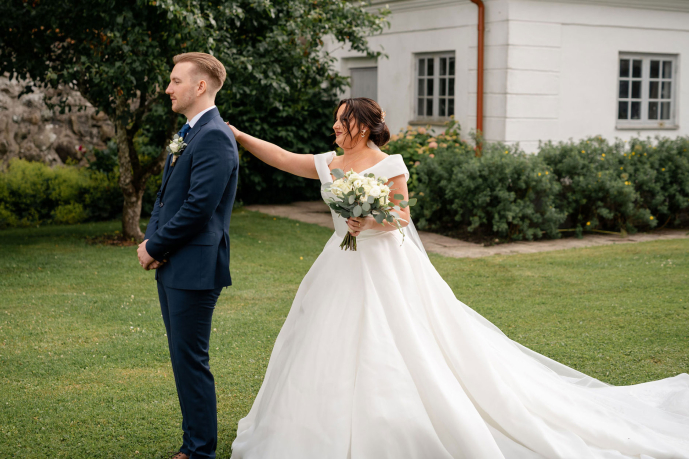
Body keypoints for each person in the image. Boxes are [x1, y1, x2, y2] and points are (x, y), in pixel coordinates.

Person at [225, 97, 689, 458]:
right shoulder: (329, 162)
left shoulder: (390, 165)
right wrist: (239, 134)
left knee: (398, 343)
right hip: (340, 265)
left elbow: (401, 218)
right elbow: (283, 157)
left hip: (387, 265)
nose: (334, 128)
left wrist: (368, 219)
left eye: (341, 120)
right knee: (324, 340)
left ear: (362, 126)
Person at [137, 52, 239, 459]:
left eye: (176, 80)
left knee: (190, 360)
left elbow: (199, 208)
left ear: (200, 86)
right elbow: (165, 199)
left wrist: (155, 247)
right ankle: (194, 444)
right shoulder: (190, 131)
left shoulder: (214, 135)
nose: (168, 88)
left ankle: (199, 451)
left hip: (195, 267)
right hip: (174, 262)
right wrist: (151, 242)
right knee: (182, 358)